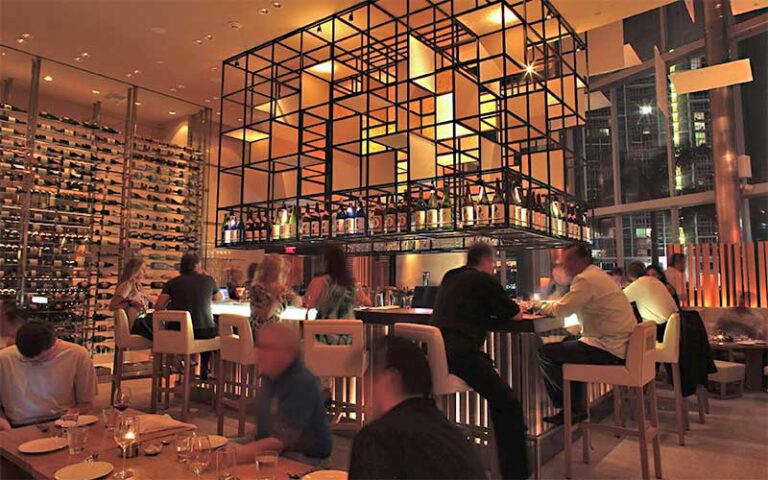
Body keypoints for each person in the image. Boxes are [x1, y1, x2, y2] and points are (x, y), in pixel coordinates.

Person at [431, 242, 528, 480]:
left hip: (436, 355)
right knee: (509, 404)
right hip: (461, 355)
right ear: (487, 261)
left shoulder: (450, 276)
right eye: (493, 263)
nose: (494, 268)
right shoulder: (484, 280)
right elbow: (514, 313)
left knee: (502, 399)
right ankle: (515, 475)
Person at [348, 336, 486, 480]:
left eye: (369, 374)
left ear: (391, 379)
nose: (363, 384)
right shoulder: (456, 439)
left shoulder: (376, 439)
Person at [537, 244, 637, 426]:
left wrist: (537, 306)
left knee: (546, 353)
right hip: (621, 345)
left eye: (569, 260)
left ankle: (569, 409)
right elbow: (571, 303)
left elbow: (562, 309)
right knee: (569, 342)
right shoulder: (596, 275)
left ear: (583, 260)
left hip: (610, 349)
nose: (565, 264)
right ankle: (576, 408)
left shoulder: (585, 279)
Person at [235, 323, 331, 463]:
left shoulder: (301, 382)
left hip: (305, 458)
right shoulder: (271, 374)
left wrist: (229, 457)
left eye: (267, 348)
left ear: (288, 353)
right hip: (277, 448)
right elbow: (264, 433)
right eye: (259, 346)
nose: (258, 353)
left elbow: (277, 443)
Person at [0, 321, 97, 430]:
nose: (31, 362)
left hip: (60, 421)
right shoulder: (4, 358)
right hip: (16, 425)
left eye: (38, 359)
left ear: (53, 346)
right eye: (24, 357)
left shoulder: (77, 355)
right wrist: (4, 426)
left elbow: (86, 402)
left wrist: (69, 417)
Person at [155, 252, 223, 379]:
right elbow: (219, 299)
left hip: (178, 332)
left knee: (186, 333)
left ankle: (176, 362)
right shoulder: (208, 280)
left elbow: (158, 307)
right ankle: (204, 370)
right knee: (212, 330)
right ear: (197, 265)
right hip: (203, 332)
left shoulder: (172, 282)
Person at [304, 244, 370, 320]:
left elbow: (308, 303)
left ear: (326, 262)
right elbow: (368, 303)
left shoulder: (320, 281)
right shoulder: (351, 283)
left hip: (324, 327)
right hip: (350, 328)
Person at [623, 261, 679, 342]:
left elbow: (617, 299)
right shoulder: (654, 281)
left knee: (630, 340)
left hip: (659, 332)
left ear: (630, 276)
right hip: (672, 328)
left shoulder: (639, 284)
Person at [249, 254, 299, 332]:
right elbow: (265, 315)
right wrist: (276, 296)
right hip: (259, 332)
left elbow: (297, 301)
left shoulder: (280, 288)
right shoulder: (257, 288)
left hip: (274, 332)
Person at [109, 257, 153, 340]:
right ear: (135, 270)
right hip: (136, 324)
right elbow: (112, 306)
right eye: (142, 270)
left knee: (160, 326)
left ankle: (161, 351)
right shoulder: (126, 285)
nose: (145, 272)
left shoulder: (137, 286)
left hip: (141, 320)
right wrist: (130, 303)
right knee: (160, 328)